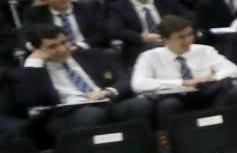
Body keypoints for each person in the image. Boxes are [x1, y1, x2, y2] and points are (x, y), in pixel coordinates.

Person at [19, 25, 152, 138]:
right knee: (91, 114)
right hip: (67, 114)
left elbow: (125, 79)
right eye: (52, 46)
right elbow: (30, 99)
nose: (62, 49)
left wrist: (107, 92)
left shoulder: (92, 55)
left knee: (140, 105)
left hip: (105, 102)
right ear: (36, 49)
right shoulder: (35, 70)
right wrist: (34, 62)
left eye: (64, 42)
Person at [130, 15, 237, 124]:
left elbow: (233, 70)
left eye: (190, 34)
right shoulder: (149, 56)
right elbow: (138, 84)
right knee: (169, 105)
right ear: (165, 39)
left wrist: (210, 79)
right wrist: (183, 83)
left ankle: (222, 132)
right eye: (181, 37)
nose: (188, 40)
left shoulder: (205, 50)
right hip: (173, 96)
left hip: (205, 93)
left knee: (230, 92)